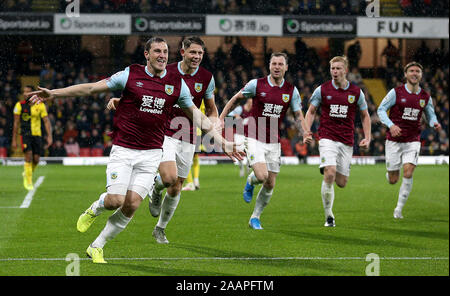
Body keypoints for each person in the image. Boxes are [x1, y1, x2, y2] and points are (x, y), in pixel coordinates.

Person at [27, 37, 241, 263]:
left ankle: (97, 246)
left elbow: (199, 116)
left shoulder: (177, 85)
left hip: (151, 154)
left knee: (132, 205)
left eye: (165, 51)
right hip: (124, 150)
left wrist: (222, 141)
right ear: (146, 54)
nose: (162, 55)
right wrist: (54, 93)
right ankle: (95, 208)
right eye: (157, 51)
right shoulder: (130, 74)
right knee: (115, 200)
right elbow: (91, 88)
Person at [107, 36, 221, 244]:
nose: (196, 57)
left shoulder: (207, 77)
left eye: (200, 53)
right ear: (183, 52)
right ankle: (156, 188)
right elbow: (144, 92)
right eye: (193, 52)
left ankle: (160, 227)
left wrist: (214, 124)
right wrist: (122, 101)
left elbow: (211, 109)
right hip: (164, 131)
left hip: (188, 135)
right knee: (169, 178)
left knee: (176, 187)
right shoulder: (165, 69)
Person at [220, 52, 311, 230]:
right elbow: (235, 98)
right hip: (253, 136)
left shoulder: (291, 91)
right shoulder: (256, 84)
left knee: (270, 183)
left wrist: (305, 132)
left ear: (286, 67)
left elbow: (298, 115)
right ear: (269, 66)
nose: (277, 67)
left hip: (274, 140)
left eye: (280, 64)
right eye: (274, 63)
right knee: (262, 176)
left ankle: (255, 217)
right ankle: (251, 180)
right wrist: (221, 118)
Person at [303, 55, 371, 227]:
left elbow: (365, 115)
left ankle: (329, 170)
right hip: (327, 137)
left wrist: (367, 137)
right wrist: (306, 130)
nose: (335, 71)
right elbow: (311, 111)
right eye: (332, 68)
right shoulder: (322, 90)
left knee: (341, 183)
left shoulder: (356, 92)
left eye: (338, 68)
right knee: (330, 172)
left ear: (345, 70)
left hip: (347, 140)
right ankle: (329, 217)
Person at [377, 61, 441, 219]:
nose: (414, 73)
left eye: (417, 71)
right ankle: (391, 172)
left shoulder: (425, 96)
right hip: (394, 140)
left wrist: (434, 122)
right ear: (405, 74)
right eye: (411, 71)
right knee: (393, 179)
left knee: (409, 171)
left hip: (413, 139)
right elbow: (381, 109)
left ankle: (398, 209)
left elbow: (430, 113)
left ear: (421, 74)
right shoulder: (396, 92)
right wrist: (391, 125)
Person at [12, 85, 52, 190]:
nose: (26, 94)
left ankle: (27, 173)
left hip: (37, 135)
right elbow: (16, 123)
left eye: (28, 92)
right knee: (28, 156)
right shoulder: (19, 105)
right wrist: (14, 140)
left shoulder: (40, 105)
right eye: (24, 92)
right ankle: (28, 181)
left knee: (36, 159)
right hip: (25, 135)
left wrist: (49, 136)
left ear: (32, 94)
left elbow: (46, 121)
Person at [226, 98, 253, 177]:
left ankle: (248, 167)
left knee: (250, 152)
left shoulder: (254, 110)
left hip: (250, 134)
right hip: (239, 134)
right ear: (247, 102)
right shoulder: (240, 109)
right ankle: (241, 168)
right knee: (239, 152)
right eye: (251, 103)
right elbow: (229, 115)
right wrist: (235, 116)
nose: (252, 104)